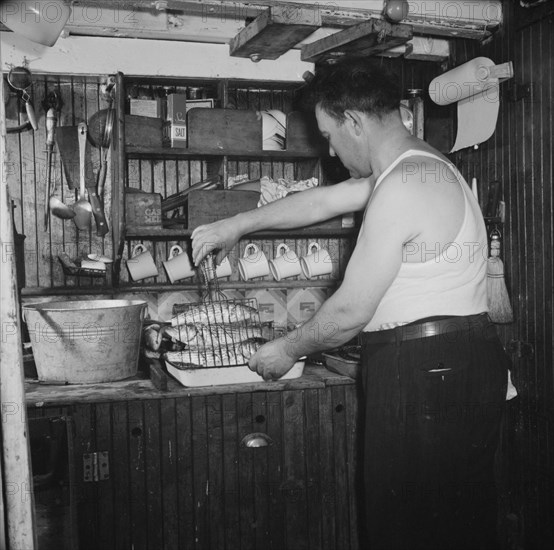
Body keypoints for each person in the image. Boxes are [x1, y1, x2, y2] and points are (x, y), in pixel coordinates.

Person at [191, 58, 510, 550]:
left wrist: (287, 349)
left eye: (329, 135)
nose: (331, 150)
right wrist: (238, 225)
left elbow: (349, 312)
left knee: (410, 529)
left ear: (354, 123)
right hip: (453, 363)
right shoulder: (419, 169)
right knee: (453, 522)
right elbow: (321, 202)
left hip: (427, 371)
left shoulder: (403, 184)